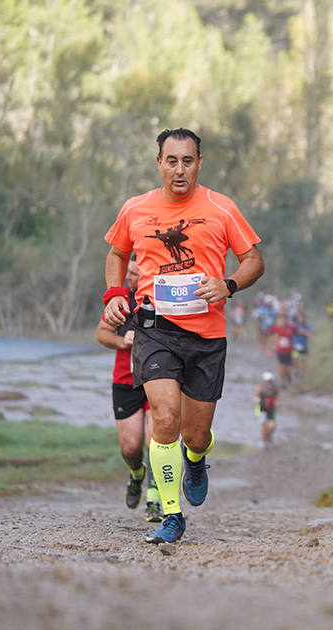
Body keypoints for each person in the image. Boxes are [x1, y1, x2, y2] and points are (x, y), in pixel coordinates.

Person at [102, 127, 264, 544]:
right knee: (166, 417)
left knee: (195, 433)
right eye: (171, 161)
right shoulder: (136, 208)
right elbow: (117, 253)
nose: (179, 169)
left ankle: (196, 458)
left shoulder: (221, 207)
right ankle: (171, 515)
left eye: (187, 161)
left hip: (207, 336)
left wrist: (227, 285)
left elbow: (253, 260)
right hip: (155, 329)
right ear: (159, 163)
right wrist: (116, 294)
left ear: (199, 163)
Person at [95, 256, 162, 522]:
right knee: (131, 446)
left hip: (156, 377)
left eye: (135, 274)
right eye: (129, 273)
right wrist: (124, 340)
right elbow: (102, 333)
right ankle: (136, 475)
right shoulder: (121, 300)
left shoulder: (159, 299)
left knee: (155, 441)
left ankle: (155, 501)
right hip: (125, 380)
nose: (130, 278)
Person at [268, 313, 296, 386]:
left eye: (284, 320)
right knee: (281, 366)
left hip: (290, 351)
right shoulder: (277, 328)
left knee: (288, 367)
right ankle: (282, 382)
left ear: (287, 321)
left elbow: (297, 332)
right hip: (280, 351)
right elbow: (269, 331)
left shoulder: (291, 328)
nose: (283, 322)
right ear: (279, 321)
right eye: (281, 320)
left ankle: (288, 375)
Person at [254, 371, 279, 446]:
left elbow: (277, 396)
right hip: (262, 408)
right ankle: (265, 442)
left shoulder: (274, 387)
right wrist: (259, 401)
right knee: (264, 426)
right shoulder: (260, 387)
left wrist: (276, 402)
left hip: (271, 408)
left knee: (272, 426)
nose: (269, 381)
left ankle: (269, 436)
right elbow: (255, 397)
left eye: (270, 380)